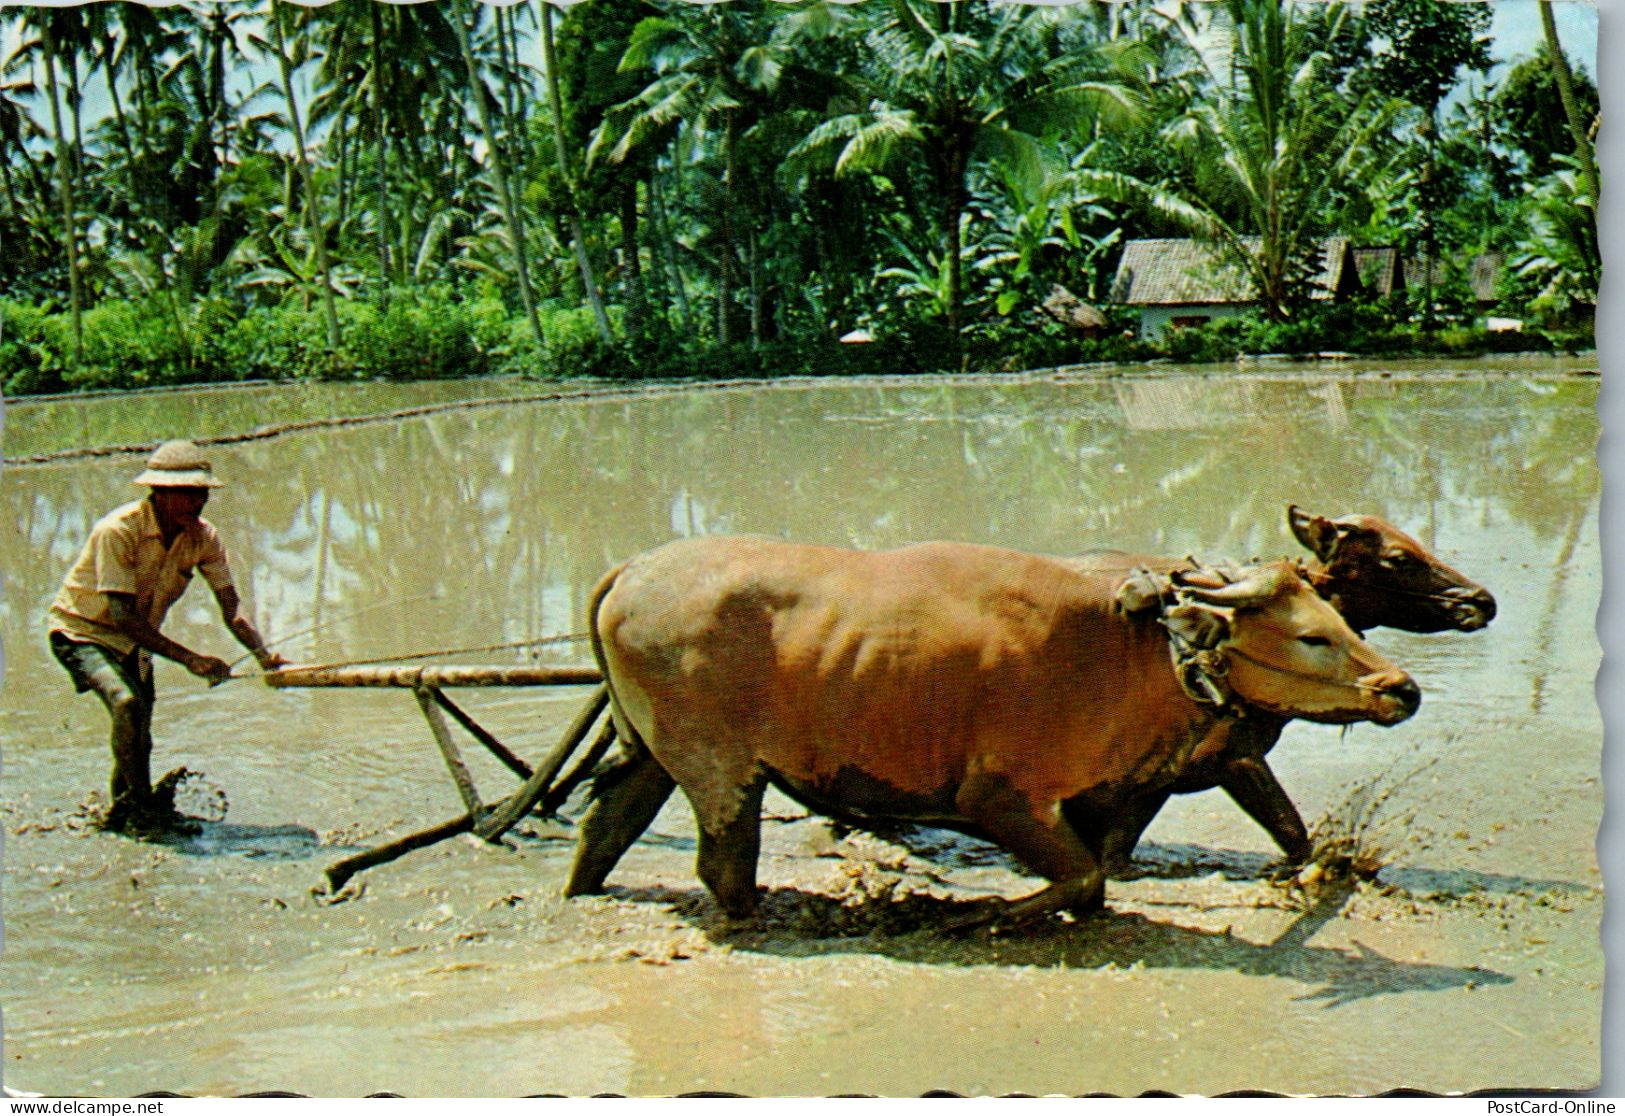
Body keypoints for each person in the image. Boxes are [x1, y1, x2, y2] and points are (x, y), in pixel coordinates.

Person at [48, 440, 287, 834]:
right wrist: (191, 659)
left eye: (202, 494)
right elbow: (123, 616)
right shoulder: (118, 531)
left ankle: (123, 811)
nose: (197, 503)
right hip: (82, 633)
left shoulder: (205, 538)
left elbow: (232, 608)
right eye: (187, 494)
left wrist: (264, 655)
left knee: (139, 730)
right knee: (127, 704)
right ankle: (144, 811)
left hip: (136, 642)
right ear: (159, 492)